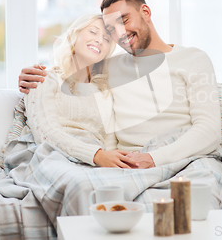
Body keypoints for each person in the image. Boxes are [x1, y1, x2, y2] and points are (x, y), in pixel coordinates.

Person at [19, 0, 221, 169]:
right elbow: (74, 67)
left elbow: (209, 130)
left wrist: (153, 159)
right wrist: (31, 75)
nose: (120, 33)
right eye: (111, 30)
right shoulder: (107, 67)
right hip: (128, 163)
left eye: (124, 20)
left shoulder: (193, 59)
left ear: (146, 12)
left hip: (181, 157)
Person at [24, 13, 137, 168]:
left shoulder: (104, 92)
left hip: (94, 163)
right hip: (52, 157)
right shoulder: (45, 79)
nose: (99, 40)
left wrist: (112, 162)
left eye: (106, 39)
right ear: (74, 35)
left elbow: (109, 142)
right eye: (93, 31)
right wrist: (95, 155)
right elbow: (45, 134)